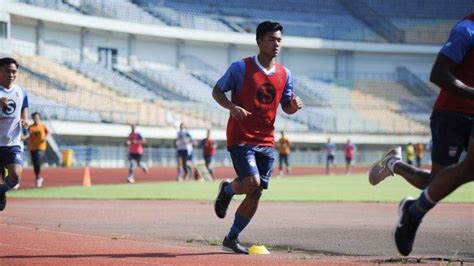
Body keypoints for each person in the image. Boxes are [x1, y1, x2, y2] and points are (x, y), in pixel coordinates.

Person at [369, 14, 473, 256]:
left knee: (459, 174)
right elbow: (437, 74)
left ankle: (413, 208)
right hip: (452, 115)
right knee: (435, 182)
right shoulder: (466, 30)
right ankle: (394, 165)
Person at [212, 21, 304, 254]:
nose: (277, 44)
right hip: (241, 136)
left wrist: (294, 106)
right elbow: (217, 90)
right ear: (259, 41)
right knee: (251, 183)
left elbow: (286, 107)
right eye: (272, 39)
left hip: (266, 140)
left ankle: (231, 238)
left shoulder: (285, 74)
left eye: (279, 40)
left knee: (256, 192)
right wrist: (232, 107)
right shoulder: (240, 68)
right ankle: (227, 191)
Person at [0, 57, 30, 211]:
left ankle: (1, 191)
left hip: (12, 142)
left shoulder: (21, 91)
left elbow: (24, 108)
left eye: (14, 71)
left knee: (16, 175)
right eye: (7, 71)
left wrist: (25, 121)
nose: (11, 74)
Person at [24, 112, 48, 188]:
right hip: (32, 147)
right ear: (33, 118)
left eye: (37, 117)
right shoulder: (31, 127)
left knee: (37, 159)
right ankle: (38, 177)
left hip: (41, 147)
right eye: (34, 117)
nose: (36, 118)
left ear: (39, 118)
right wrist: (23, 138)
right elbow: (28, 135)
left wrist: (45, 138)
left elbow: (48, 133)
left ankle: (38, 177)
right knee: (35, 163)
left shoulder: (43, 126)